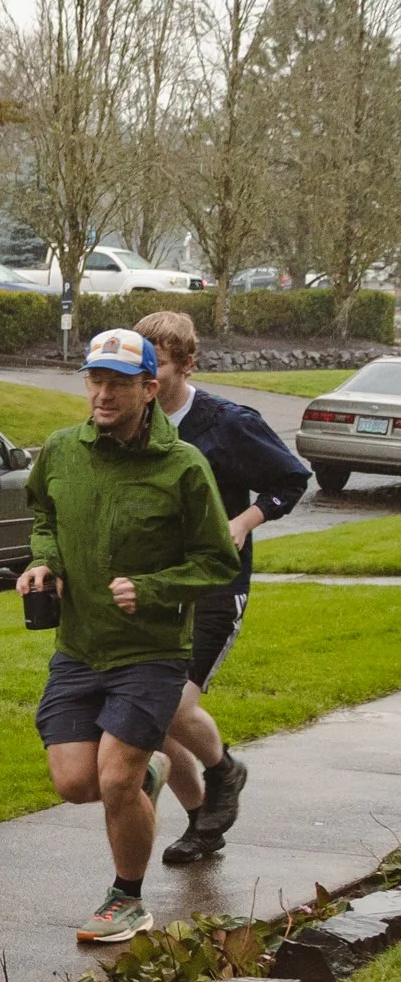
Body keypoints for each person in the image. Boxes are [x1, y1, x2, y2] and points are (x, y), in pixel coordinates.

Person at [18, 328, 240, 943]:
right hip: (79, 647)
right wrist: (46, 563)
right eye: (95, 379)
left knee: (115, 778)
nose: (104, 393)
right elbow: (45, 518)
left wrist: (154, 587)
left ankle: (126, 898)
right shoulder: (62, 451)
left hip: (152, 651)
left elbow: (218, 562)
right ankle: (151, 770)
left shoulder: (183, 466)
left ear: (150, 388)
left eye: (119, 382)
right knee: (74, 783)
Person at [132, 311, 309, 865]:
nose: (147, 379)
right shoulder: (129, 420)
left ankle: (225, 771)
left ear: (187, 363)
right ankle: (203, 822)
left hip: (216, 583)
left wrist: (244, 521)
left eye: (157, 366)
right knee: (149, 717)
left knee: (174, 705)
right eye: (141, 367)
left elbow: (291, 477)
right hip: (156, 586)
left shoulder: (228, 422)